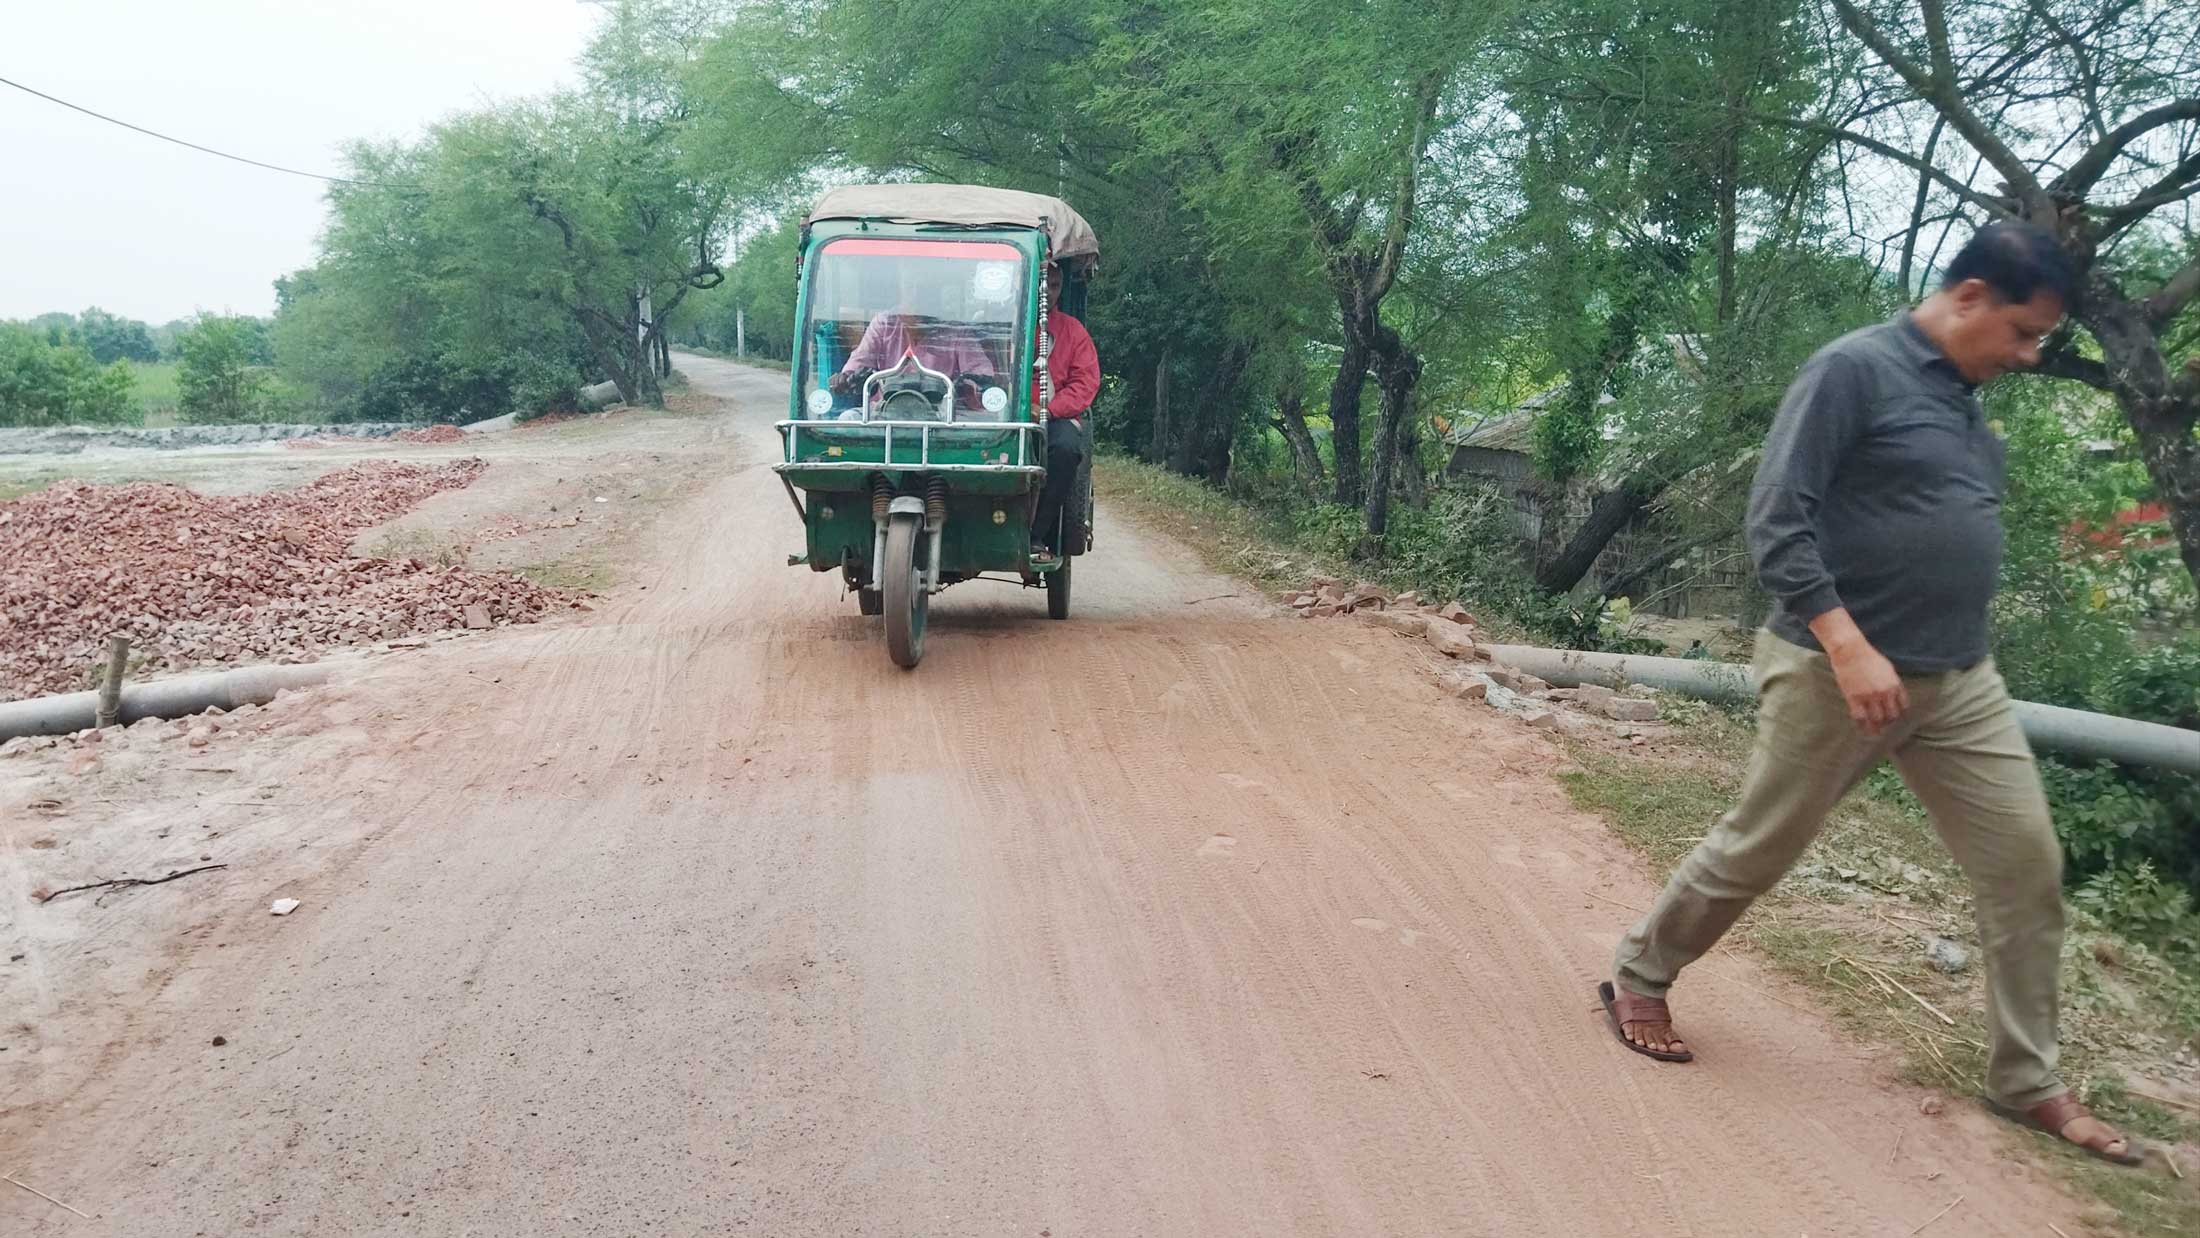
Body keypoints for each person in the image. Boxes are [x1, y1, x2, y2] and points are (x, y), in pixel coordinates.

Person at [1597, 222, 2151, 1167]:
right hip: (1833, 669)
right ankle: (1642, 973)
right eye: (2022, 334)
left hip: (1960, 680)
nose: (2026, 358)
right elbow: (1777, 516)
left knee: (2026, 868)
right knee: (1761, 845)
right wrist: (1848, 643)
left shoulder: (1967, 401)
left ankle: (2026, 1080)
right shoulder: (1853, 370)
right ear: (1970, 296)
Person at [829, 263, 997, 410]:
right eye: (910, 287)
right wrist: (847, 378)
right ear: (900, 292)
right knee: (848, 418)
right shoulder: (884, 324)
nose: (917, 297)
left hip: (944, 416)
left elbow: (981, 375)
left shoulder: (957, 332)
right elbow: (859, 362)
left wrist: (971, 385)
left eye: (925, 289)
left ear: (936, 293)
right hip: (885, 410)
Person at [1031, 259, 1099, 557]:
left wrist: (1048, 410)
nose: (1047, 292)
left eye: (1054, 286)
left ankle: (1038, 535)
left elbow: (1085, 384)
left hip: (1052, 417)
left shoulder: (1073, 332)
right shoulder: (1000, 324)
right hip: (1001, 416)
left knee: (1067, 449)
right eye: (1041, 284)